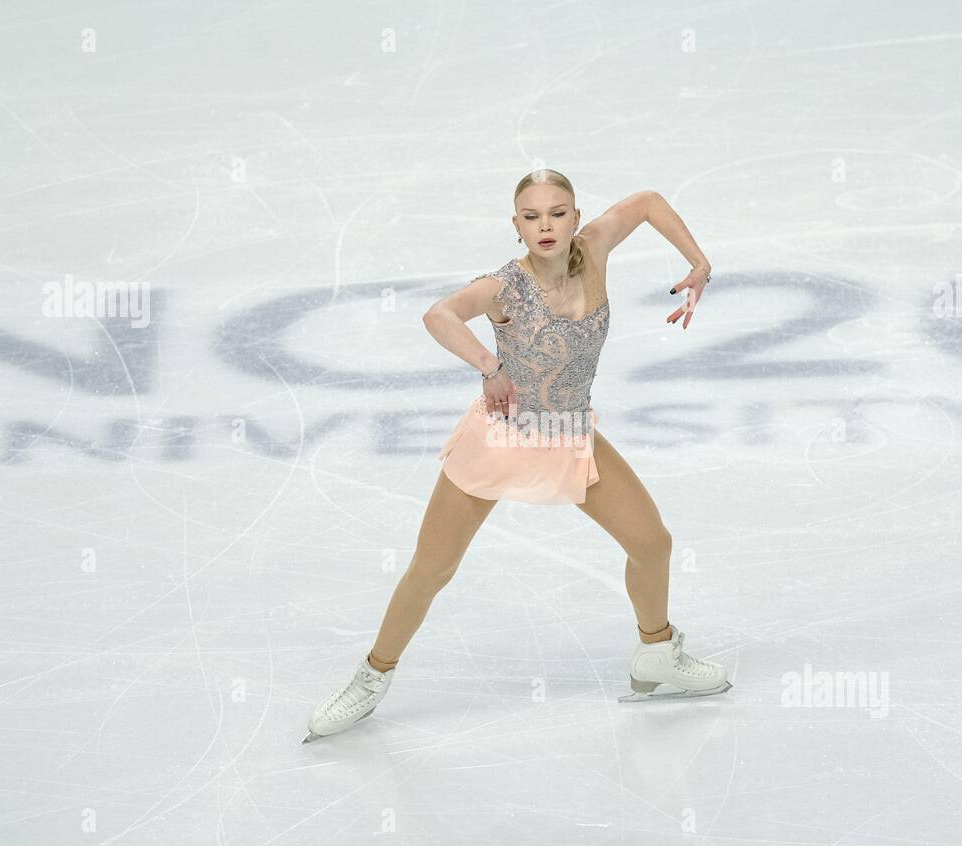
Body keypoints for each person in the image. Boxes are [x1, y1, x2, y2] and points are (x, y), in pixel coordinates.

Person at [304, 169, 731, 743]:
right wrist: (490, 366)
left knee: (652, 541)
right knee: (432, 569)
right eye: (531, 217)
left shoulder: (597, 246)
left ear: (576, 217)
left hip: (571, 435)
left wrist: (699, 261)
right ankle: (371, 676)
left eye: (557, 213)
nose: (546, 226)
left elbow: (650, 202)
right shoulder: (504, 287)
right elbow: (439, 314)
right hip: (502, 437)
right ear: (516, 227)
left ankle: (656, 651)